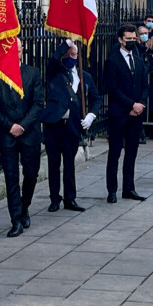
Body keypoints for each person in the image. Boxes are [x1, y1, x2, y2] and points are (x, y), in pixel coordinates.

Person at [0, 38, 44, 237]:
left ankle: (24, 206)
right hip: (8, 134)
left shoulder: (32, 73)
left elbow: (38, 103)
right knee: (11, 178)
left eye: (18, 51)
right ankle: (16, 219)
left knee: (31, 174)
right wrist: (9, 126)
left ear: (22, 52)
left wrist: (23, 125)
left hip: (29, 133)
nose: (15, 55)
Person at [41, 39, 101, 213]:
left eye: (74, 54)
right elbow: (53, 58)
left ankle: (70, 198)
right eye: (68, 55)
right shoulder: (55, 72)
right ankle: (54, 198)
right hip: (54, 125)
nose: (71, 58)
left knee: (69, 163)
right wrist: (68, 41)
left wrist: (91, 115)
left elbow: (96, 99)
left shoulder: (85, 76)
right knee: (54, 163)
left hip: (73, 126)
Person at [104, 24, 149, 203]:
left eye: (133, 39)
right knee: (115, 152)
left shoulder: (138, 61)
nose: (131, 42)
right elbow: (112, 89)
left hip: (136, 114)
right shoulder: (112, 61)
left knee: (132, 152)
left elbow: (145, 86)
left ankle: (128, 188)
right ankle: (112, 190)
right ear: (120, 40)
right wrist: (130, 104)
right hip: (119, 113)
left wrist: (140, 104)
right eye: (128, 39)